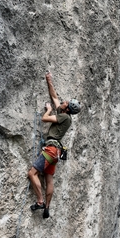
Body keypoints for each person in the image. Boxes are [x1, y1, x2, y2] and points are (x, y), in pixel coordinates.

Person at [28, 71, 81, 218]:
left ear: (67, 108)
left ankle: (40, 202)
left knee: (32, 173)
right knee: (49, 178)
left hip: (51, 150)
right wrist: (49, 80)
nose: (64, 101)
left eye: (66, 103)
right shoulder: (65, 114)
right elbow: (55, 97)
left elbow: (45, 119)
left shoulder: (63, 116)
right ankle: (47, 207)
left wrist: (49, 110)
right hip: (55, 153)